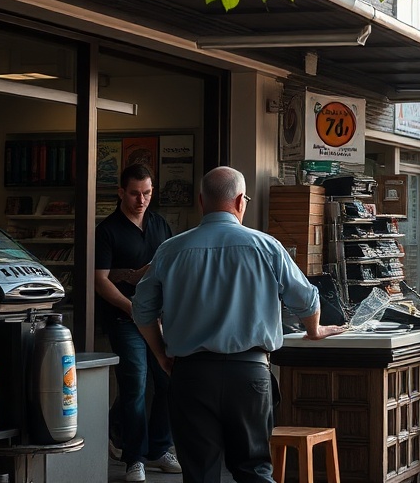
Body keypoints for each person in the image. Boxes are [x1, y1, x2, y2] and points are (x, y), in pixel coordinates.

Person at [132, 166, 345, 483]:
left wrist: (162, 355)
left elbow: (142, 310)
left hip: (191, 375)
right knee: (253, 471)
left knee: (199, 474)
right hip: (249, 375)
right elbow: (307, 299)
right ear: (241, 201)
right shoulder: (267, 247)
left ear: (202, 202)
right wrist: (314, 329)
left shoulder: (170, 250)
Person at [95, 163, 179, 483]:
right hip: (124, 318)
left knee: (170, 381)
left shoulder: (160, 225)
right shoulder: (107, 230)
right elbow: (100, 281)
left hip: (158, 320)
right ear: (121, 192)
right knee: (135, 385)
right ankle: (135, 458)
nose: (141, 200)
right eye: (134, 194)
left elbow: (171, 270)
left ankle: (158, 449)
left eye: (146, 193)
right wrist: (132, 307)